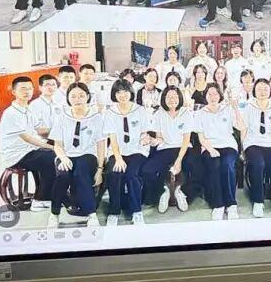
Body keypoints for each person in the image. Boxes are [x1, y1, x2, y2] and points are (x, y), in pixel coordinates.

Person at [48, 82, 105, 228]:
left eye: (81, 95)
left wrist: (100, 169)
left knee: (81, 173)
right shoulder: (62, 117)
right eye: (73, 96)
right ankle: (54, 214)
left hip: (87, 154)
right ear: (68, 98)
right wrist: (63, 158)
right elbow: (57, 144)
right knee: (62, 176)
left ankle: (91, 214)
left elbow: (101, 144)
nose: (77, 99)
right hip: (65, 155)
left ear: (87, 97)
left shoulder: (96, 117)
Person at [0, 76, 56, 212]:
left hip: (29, 150)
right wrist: (51, 146)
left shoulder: (28, 109)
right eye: (23, 89)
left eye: (30, 88)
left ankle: (49, 194)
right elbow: (27, 138)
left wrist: (58, 133)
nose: (27, 92)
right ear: (14, 91)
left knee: (56, 153)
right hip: (16, 154)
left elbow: (39, 130)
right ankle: (39, 200)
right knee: (51, 157)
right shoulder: (11, 113)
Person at [102, 80, 151, 226]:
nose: (122, 95)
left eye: (125, 91)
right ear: (114, 94)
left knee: (131, 175)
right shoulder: (110, 112)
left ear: (131, 93)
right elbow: (112, 138)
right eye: (118, 92)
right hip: (117, 151)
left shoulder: (140, 110)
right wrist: (118, 158)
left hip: (137, 150)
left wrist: (144, 138)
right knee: (114, 173)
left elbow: (144, 131)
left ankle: (136, 211)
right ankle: (114, 211)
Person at [142, 85, 195, 214]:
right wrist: (153, 141)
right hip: (165, 148)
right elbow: (160, 138)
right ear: (164, 99)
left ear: (180, 98)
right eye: (169, 97)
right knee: (147, 170)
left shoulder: (186, 113)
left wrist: (178, 161)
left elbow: (186, 140)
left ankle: (183, 193)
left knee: (198, 169)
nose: (172, 99)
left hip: (184, 148)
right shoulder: (159, 114)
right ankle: (162, 192)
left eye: (175, 97)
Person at [196, 83, 244, 220]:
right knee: (214, 166)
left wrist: (236, 108)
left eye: (215, 94)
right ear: (205, 96)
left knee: (227, 165)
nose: (212, 97)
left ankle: (231, 204)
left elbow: (240, 126)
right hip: (209, 146)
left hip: (228, 145)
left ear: (220, 96)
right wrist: (211, 150)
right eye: (209, 94)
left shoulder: (227, 109)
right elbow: (201, 137)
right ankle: (218, 205)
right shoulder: (200, 113)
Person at [241, 78, 271, 217]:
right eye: (259, 89)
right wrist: (242, 148)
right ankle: (258, 201)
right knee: (257, 164)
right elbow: (244, 129)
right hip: (253, 142)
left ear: (270, 91)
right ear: (254, 91)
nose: (262, 92)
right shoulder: (248, 107)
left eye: (265, 89)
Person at [29, 73, 63, 138]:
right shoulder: (34, 105)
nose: (51, 87)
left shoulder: (59, 103)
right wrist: (57, 130)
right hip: (42, 140)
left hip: (59, 138)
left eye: (53, 84)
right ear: (40, 88)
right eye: (47, 85)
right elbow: (35, 129)